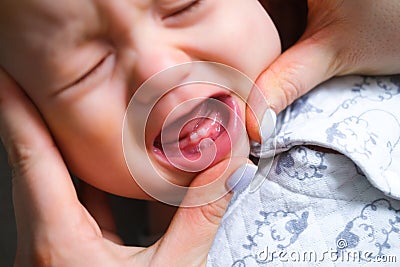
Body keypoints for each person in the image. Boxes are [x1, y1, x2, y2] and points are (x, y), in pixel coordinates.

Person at [0, 0, 399, 265]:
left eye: (183, 5)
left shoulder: (372, 49)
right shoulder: (109, 252)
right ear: (36, 128)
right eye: (85, 70)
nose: (158, 72)